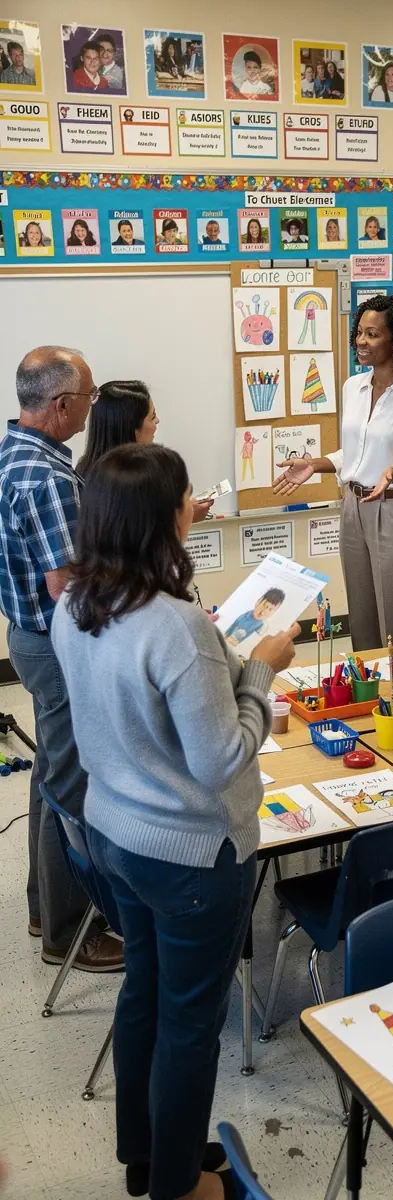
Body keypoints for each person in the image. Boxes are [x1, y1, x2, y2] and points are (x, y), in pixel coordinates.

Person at [50, 442, 299, 1200]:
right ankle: (179, 1185)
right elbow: (221, 759)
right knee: (190, 1023)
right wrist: (261, 671)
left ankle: (148, 1156)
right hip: (191, 854)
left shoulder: (74, 603)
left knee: (145, 994)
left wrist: (226, 666)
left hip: (115, 834)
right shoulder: (177, 627)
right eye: (187, 497)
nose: (195, 506)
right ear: (161, 518)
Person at [0, 347, 123, 971]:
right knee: (68, 783)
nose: (92, 406)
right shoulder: (48, 478)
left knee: (51, 773)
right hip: (54, 643)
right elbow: (64, 585)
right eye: (90, 396)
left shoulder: (13, 452)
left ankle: (42, 907)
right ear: (61, 403)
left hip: (26, 637)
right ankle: (68, 932)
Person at [272, 295, 393, 649]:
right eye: (360, 332)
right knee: (361, 617)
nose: (361, 341)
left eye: (372, 334)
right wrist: (317, 464)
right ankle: (368, 684)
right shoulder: (353, 388)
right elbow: (356, 453)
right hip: (353, 508)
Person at [75, 379, 215, 522]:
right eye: (152, 416)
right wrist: (182, 517)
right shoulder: (132, 481)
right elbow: (137, 531)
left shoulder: (84, 473)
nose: (157, 421)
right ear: (133, 429)